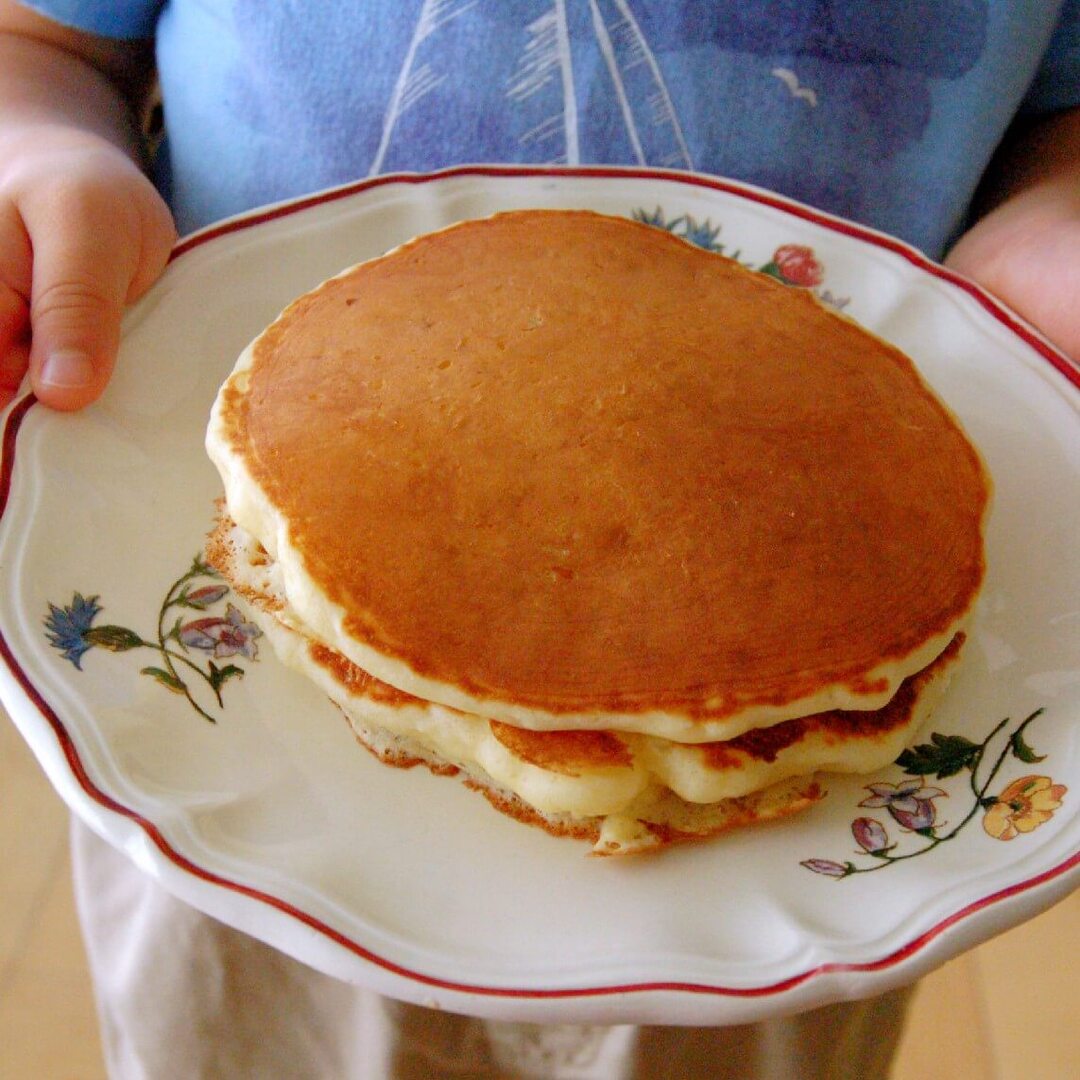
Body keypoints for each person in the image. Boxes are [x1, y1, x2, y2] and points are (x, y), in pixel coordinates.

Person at [1, 2, 1076, 1078]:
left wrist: (1051, 231)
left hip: (787, 917)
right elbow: (42, 39)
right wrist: (39, 138)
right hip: (220, 798)